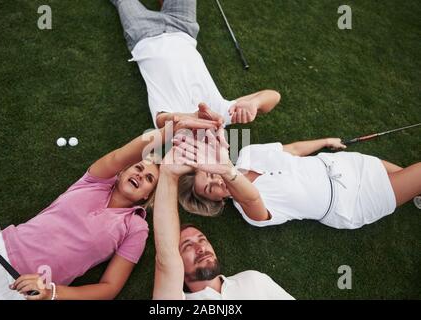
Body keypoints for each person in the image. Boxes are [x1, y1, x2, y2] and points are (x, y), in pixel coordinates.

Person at [0, 118, 217, 300]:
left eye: (149, 179)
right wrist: (172, 129)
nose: (141, 175)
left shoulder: (135, 226)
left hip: (17, 288)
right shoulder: (95, 181)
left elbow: (109, 287)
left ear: (147, 197)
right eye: (138, 168)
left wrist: (52, 292)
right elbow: (121, 155)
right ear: (122, 172)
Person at [175, 129, 421, 229]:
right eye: (210, 188)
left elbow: (292, 150)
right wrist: (226, 171)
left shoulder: (249, 153)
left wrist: (326, 142)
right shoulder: (249, 211)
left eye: (209, 174)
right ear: (216, 201)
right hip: (351, 202)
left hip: (347, 164)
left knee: (410, 178)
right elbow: (252, 195)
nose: (216, 181)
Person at [110, 0, 281, 128]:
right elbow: (274, 95)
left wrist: (193, 117)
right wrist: (254, 103)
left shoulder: (174, 128)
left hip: (143, 34)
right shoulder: (221, 115)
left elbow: (162, 120)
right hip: (183, 28)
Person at [152, 147, 294, 299]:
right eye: (187, 246)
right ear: (177, 262)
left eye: (203, 240)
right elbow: (166, 256)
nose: (200, 248)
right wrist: (168, 174)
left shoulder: (253, 280)